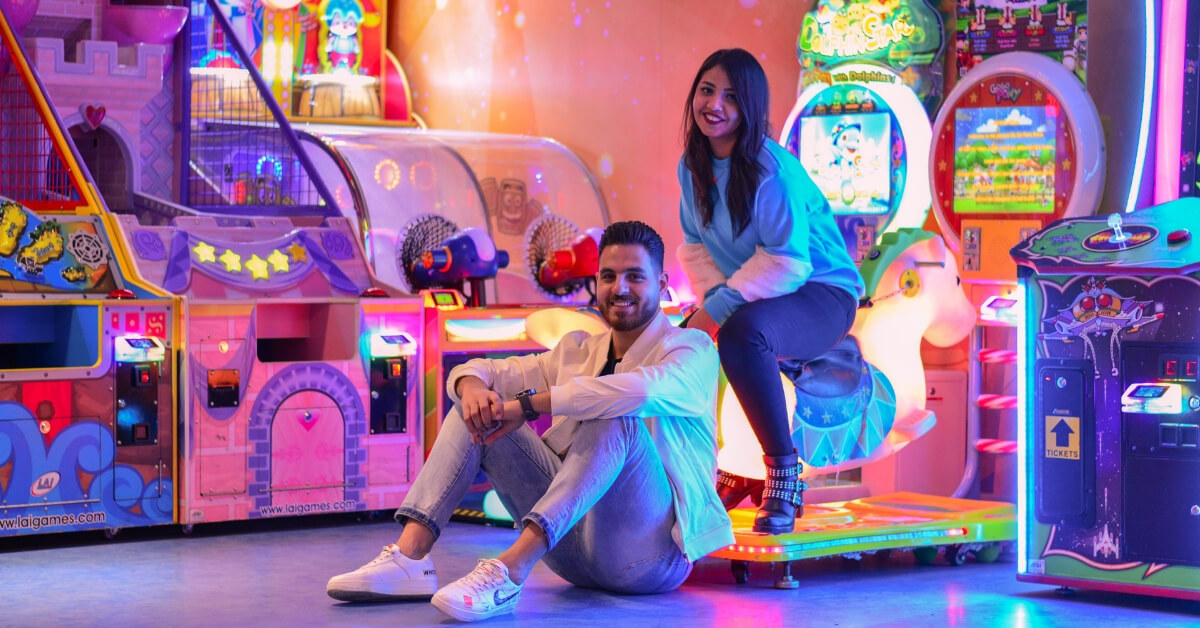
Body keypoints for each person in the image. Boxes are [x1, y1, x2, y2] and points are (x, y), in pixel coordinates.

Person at [326, 221, 732, 622]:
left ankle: (509, 571)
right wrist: (471, 388)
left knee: (614, 415)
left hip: (649, 558)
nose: (619, 288)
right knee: (475, 411)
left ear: (661, 284)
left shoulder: (691, 349)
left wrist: (529, 405)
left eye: (635, 276)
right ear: (596, 281)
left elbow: (638, 392)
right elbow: (484, 371)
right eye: (609, 276)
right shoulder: (577, 350)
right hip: (572, 554)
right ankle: (410, 559)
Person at [675, 49, 865, 535]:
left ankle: (782, 472)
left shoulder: (768, 170)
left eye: (732, 97)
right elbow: (697, 246)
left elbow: (788, 260)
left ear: (751, 108)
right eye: (707, 90)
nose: (714, 104)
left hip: (822, 291)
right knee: (682, 344)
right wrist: (708, 309)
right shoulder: (691, 165)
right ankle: (713, 469)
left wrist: (717, 310)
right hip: (763, 292)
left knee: (739, 335)